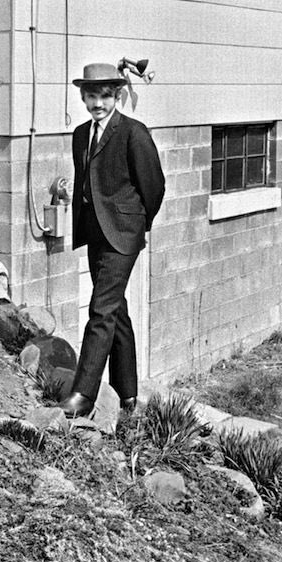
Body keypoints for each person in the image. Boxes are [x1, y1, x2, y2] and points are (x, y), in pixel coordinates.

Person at [59, 63, 165, 418]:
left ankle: (83, 395)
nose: (97, 104)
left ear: (116, 96)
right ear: (83, 98)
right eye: (91, 97)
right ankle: (128, 393)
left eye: (105, 96)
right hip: (95, 232)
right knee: (116, 309)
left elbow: (154, 187)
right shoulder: (80, 134)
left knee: (100, 310)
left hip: (123, 235)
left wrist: (137, 225)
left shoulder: (133, 132)